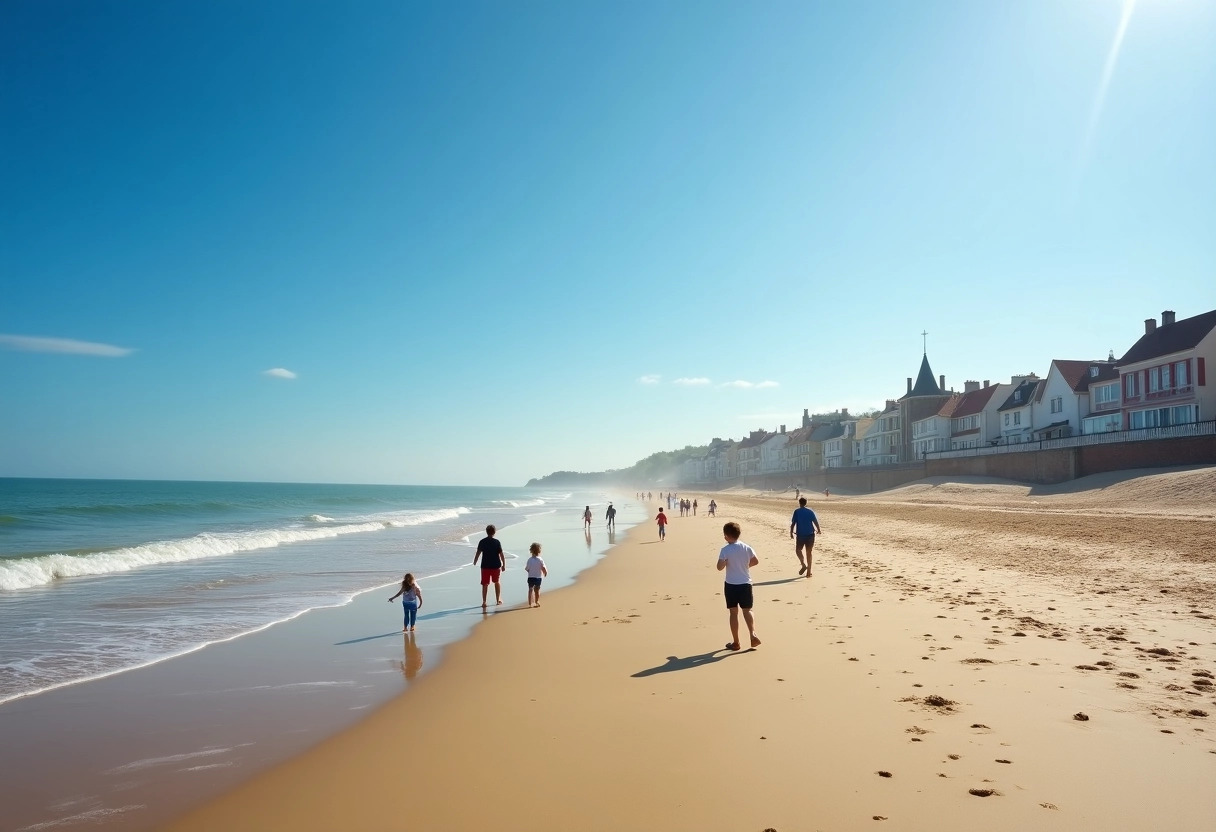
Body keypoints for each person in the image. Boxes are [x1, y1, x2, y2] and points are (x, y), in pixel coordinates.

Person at [717, 521, 761, 651]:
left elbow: (719, 567)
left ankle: (736, 642)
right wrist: (745, 566)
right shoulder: (746, 547)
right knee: (747, 610)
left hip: (731, 584)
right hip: (745, 583)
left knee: (733, 612)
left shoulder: (725, 550)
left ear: (726, 536)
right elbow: (756, 561)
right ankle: (752, 633)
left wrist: (725, 562)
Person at [473, 524, 506, 607]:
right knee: (497, 582)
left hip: (485, 566)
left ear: (486, 532)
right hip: (496, 566)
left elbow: (478, 553)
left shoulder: (482, 542)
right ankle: (498, 599)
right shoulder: (497, 542)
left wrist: (475, 560)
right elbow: (501, 555)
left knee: (485, 584)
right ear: (494, 532)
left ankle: (484, 602)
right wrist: (504, 564)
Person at [789, 496, 822, 577]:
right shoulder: (810, 511)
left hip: (800, 535)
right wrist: (818, 529)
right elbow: (815, 521)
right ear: (806, 503)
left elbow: (793, 523)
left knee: (798, 550)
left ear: (799, 503)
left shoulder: (796, 511)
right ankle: (809, 572)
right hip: (810, 534)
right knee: (809, 552)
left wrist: (791, 532)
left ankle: (803, 564)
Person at [525, 542, 548, 608]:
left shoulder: (529, 560)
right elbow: (543, 567)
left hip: (531, 577)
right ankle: (537, 601)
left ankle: (530, 603)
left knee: (530, 589)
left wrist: (529, 571)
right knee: (537, 590)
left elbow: (527, 568)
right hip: (538, 577)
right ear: (539, 551)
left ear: (531, 551)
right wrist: (545, 572)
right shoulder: (540, 559)